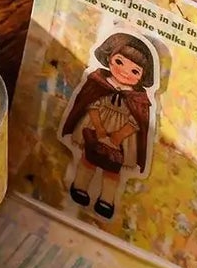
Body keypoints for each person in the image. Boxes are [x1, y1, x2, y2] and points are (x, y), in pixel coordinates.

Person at [60, 32, 157, 221]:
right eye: (119, 62)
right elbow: (91, 106)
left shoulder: (138, 99)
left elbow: (137, 122)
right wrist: (99, 129)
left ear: (142, 76)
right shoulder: (98, 82)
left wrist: (118, 137)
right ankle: (80, 187)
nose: (124, 72)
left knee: (112, 170)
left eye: (135, 71)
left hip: (121, 140)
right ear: (109, 57)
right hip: (96, 129)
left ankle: (107, 200)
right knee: (88, 159)